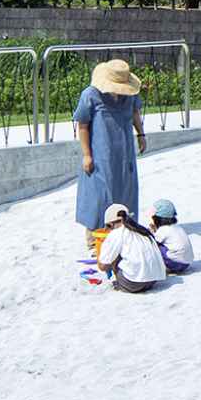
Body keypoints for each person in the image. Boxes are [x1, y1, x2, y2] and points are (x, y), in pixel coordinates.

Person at [72, 58, 146, 255]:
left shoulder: (130, 96)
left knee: (126, 191)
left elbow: (135, 113)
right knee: (99, 195)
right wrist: (87, 155)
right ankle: (94, 240)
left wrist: (141, 134)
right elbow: (82, 125)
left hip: (124, 152)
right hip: (100, 153)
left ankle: (126, 234)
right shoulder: (90, 95)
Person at [92, 202, 167, 293]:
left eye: (108, 226)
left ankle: (121, 284)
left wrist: (101, 251)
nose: (108, 229)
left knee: (115, 256)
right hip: (153, 280)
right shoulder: (143, 230)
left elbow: (103, 266)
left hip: (133, 284)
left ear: (112, 224)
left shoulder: (117, 233)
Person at [149, 198, 194, 274]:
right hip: (187, 262)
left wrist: (151, 232)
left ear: (157, 218)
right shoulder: (177, 227)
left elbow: (152, 242)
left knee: (153, 247)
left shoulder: (163, 229)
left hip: (176, 263)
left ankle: (161, 267)